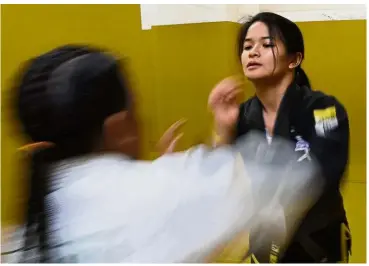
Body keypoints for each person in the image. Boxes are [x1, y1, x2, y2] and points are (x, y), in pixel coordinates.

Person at [5, 44, 321, 263]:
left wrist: (205, 150)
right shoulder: (161, 194)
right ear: (118, 127)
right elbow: (289, 174)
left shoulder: (23, 232)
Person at [208, 12, 351, 263]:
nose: (253, 52)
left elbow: (322, 173)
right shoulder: (243, 115)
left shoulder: (322, 109)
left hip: (317, 244)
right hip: (264, 246)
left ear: (294, 59)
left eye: (267, 44)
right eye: (247, 47)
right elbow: (219, 178)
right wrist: (223, 129)